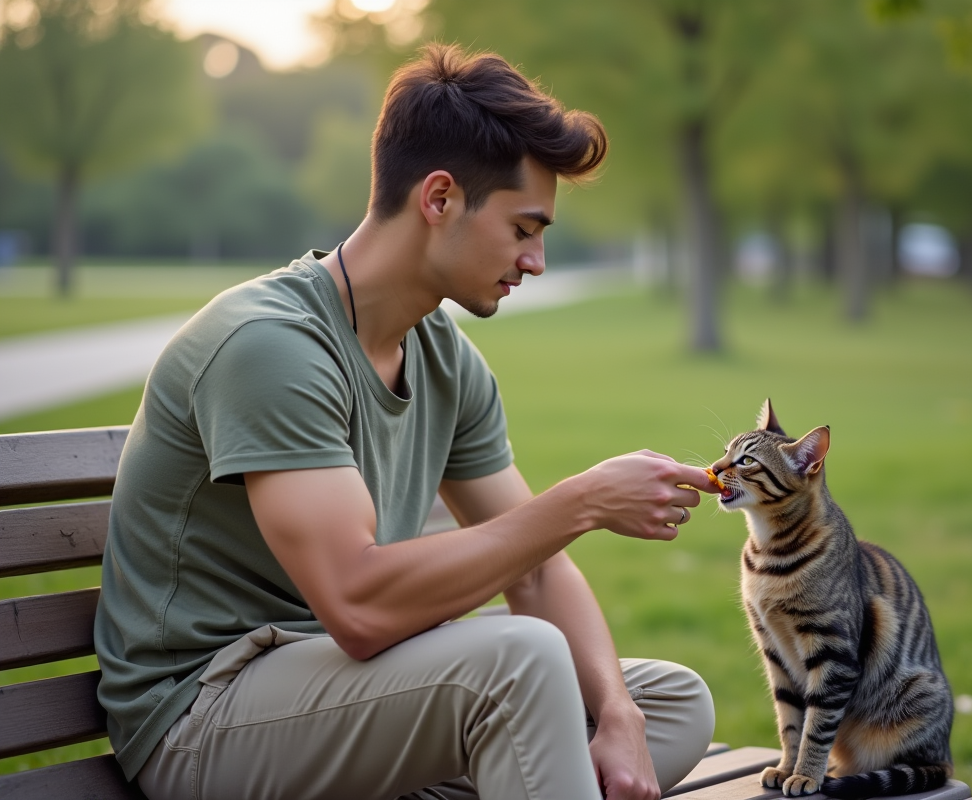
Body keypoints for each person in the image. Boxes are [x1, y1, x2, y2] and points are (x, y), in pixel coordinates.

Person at [94, 43, 718, 800]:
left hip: (353, 692)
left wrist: (617, 713)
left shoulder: (443, 357)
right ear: (440, 198)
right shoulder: (270, 345)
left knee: (668, 705)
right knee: (523, 664)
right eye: (524, 229)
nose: (537, 261)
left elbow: (537, 570)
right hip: (206, 718)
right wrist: (580, 502)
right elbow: (358, 606)